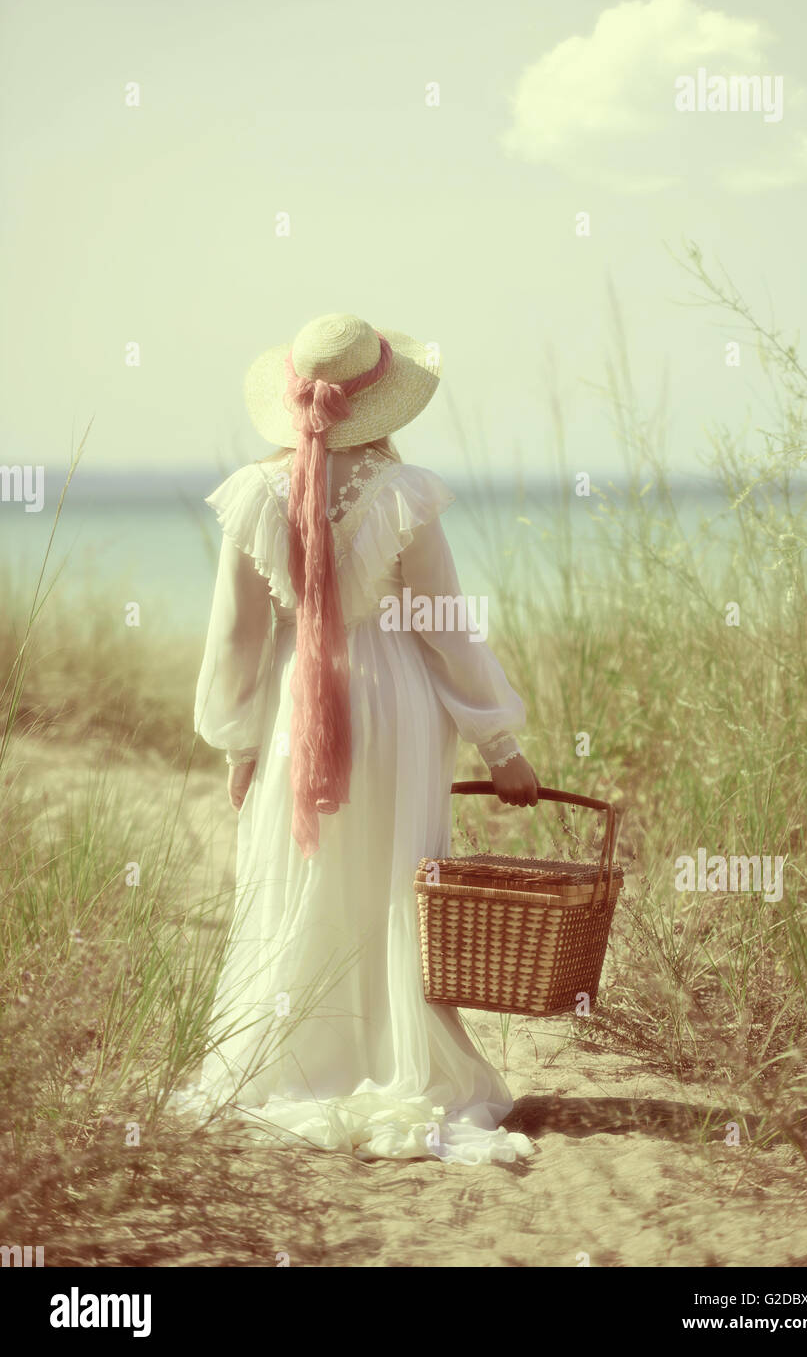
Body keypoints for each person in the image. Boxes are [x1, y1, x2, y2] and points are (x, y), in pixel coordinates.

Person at [177, 312, 538, 1164]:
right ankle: (392, 1057)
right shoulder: (401, 495)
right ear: (381, 408)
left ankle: (297, 1058)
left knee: (303, 879)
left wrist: (239, 741)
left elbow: (235, 638)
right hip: (396, 706)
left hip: (298, 703)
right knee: (392, 878)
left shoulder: (251, 494)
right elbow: (444, 628)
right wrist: (499, 744)